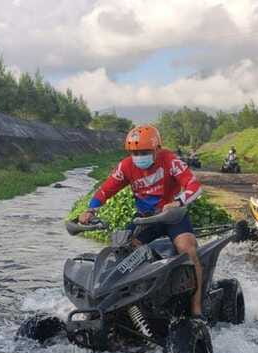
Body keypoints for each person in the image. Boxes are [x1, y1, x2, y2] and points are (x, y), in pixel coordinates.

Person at [78, 125, 206, 318]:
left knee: (188, 249)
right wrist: (90, 209)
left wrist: (178, 201)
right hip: (144, 220)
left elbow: (194, 186)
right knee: (123, 252)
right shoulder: (126, 166)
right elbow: (106, 190)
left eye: (144, 152)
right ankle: (126, 303)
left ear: (157, 149)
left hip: (172, 217)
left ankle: (196, 305)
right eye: (135, 152)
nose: (139, 156)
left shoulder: (170, 160)